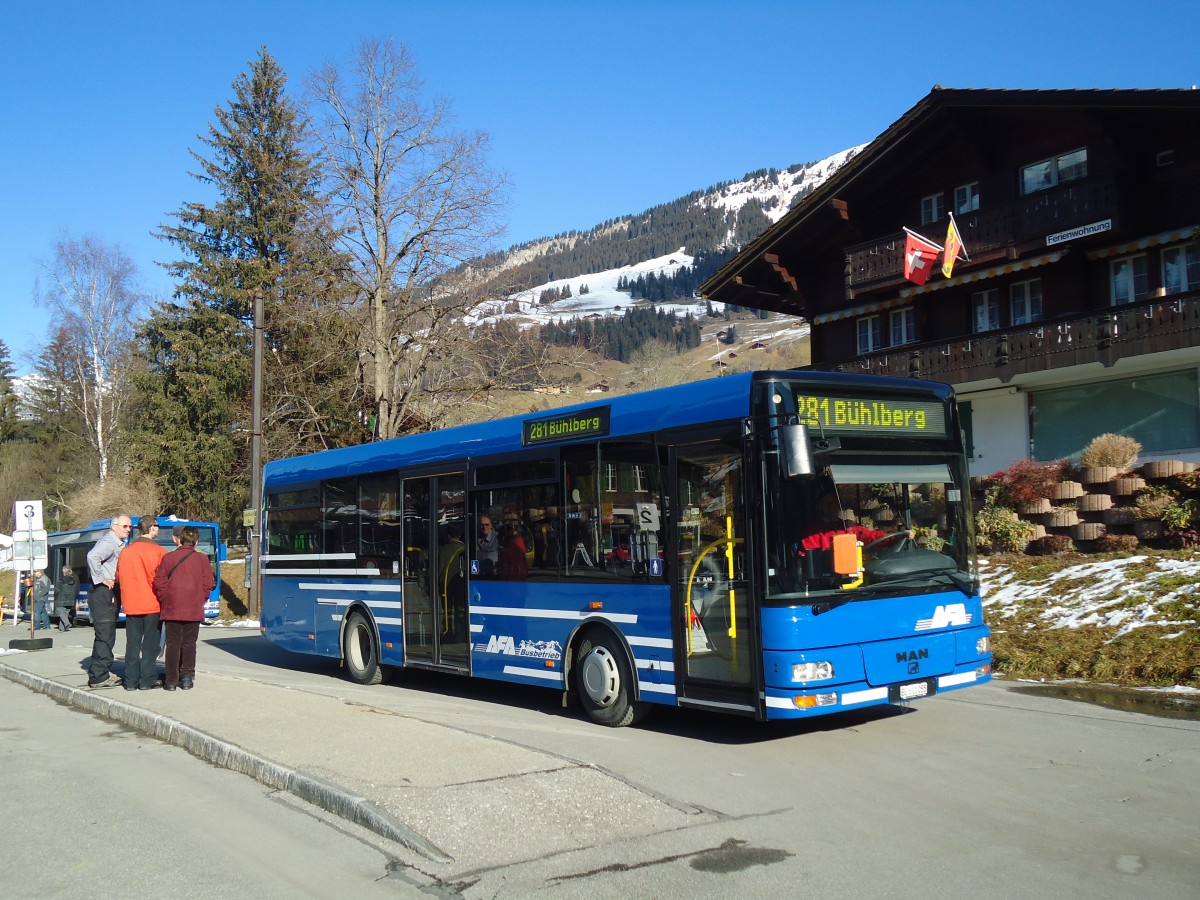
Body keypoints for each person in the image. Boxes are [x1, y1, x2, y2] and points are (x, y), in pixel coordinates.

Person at [153, 525, 214, 691]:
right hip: (193, 608)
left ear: (179, 539)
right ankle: (187, 676)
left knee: (172, 643)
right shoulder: (202, 559)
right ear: (196, 541)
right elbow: (208, 583)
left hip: (172, 607)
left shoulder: (168, 558)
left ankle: (171, 680)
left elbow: (159, 582)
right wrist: (200, 598)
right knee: (189, 644)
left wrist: (166, 597)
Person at [115, 516, 168, 691]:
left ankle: (130, 680)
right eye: (157, 526)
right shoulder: (160, 553)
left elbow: (118, 576)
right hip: (152, 603)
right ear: (152, 528)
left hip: (131, 603)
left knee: (132, 643)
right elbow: (163, 579)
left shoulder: (126, 552)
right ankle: (147, 679)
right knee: (150, 645)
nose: (158, 529)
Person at [86, 515, 132, 688]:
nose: (128, 529)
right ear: (114, 527)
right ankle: (99, 676)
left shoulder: (117, 543)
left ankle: (100, 672)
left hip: (107, 592)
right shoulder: (109, 542)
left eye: (129, 527)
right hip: (104, 593)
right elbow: (92, 557)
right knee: (105, 634)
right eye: (124, 526)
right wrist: (101, 579)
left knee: (107, 634)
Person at [53, 565, 79, 632]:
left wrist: (54, 596)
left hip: (62, 598)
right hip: (71, 598)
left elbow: (57, 590)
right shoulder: (74, 579)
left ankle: (67, 623)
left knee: (61, 611)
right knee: (65, 613)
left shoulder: (61, 580)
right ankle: (63, 628)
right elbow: (76, 589)